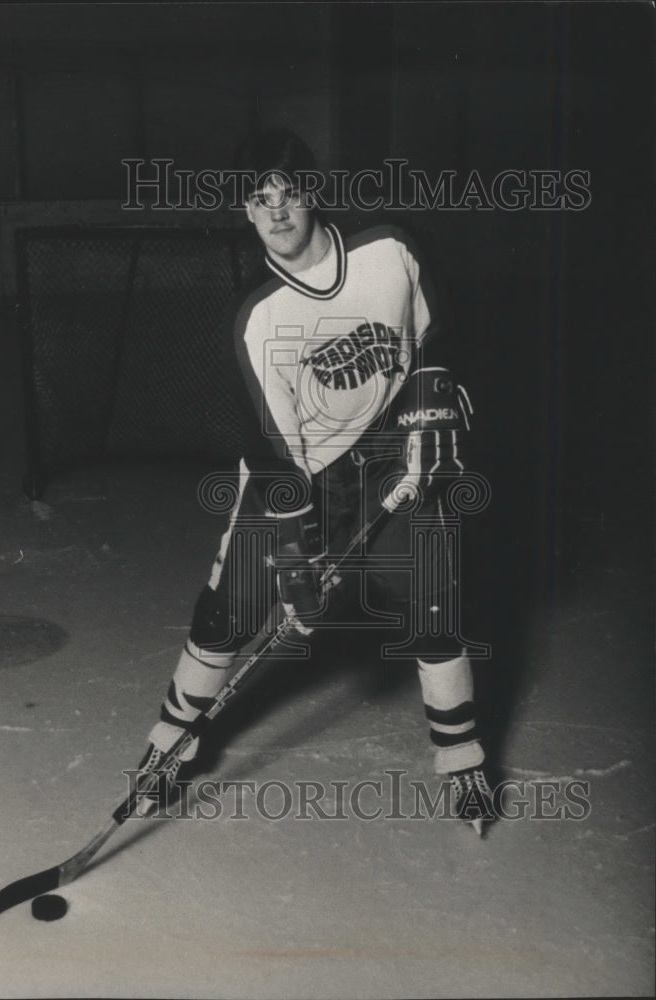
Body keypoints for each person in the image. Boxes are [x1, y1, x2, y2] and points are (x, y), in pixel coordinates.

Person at [134, 128, 494, 832]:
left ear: (312, 194)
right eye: (259, 199)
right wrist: (298, 554)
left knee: (433, 605)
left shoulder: (390, 248)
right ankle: (168, 746)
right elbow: (275, 452)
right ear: (244, 212)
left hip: (395, 449)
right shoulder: (256, 318)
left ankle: (463, 759)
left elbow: (442, 333)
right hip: (304, 473)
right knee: (228, 613)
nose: (277, 212)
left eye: (289, 192)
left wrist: (436, 394)